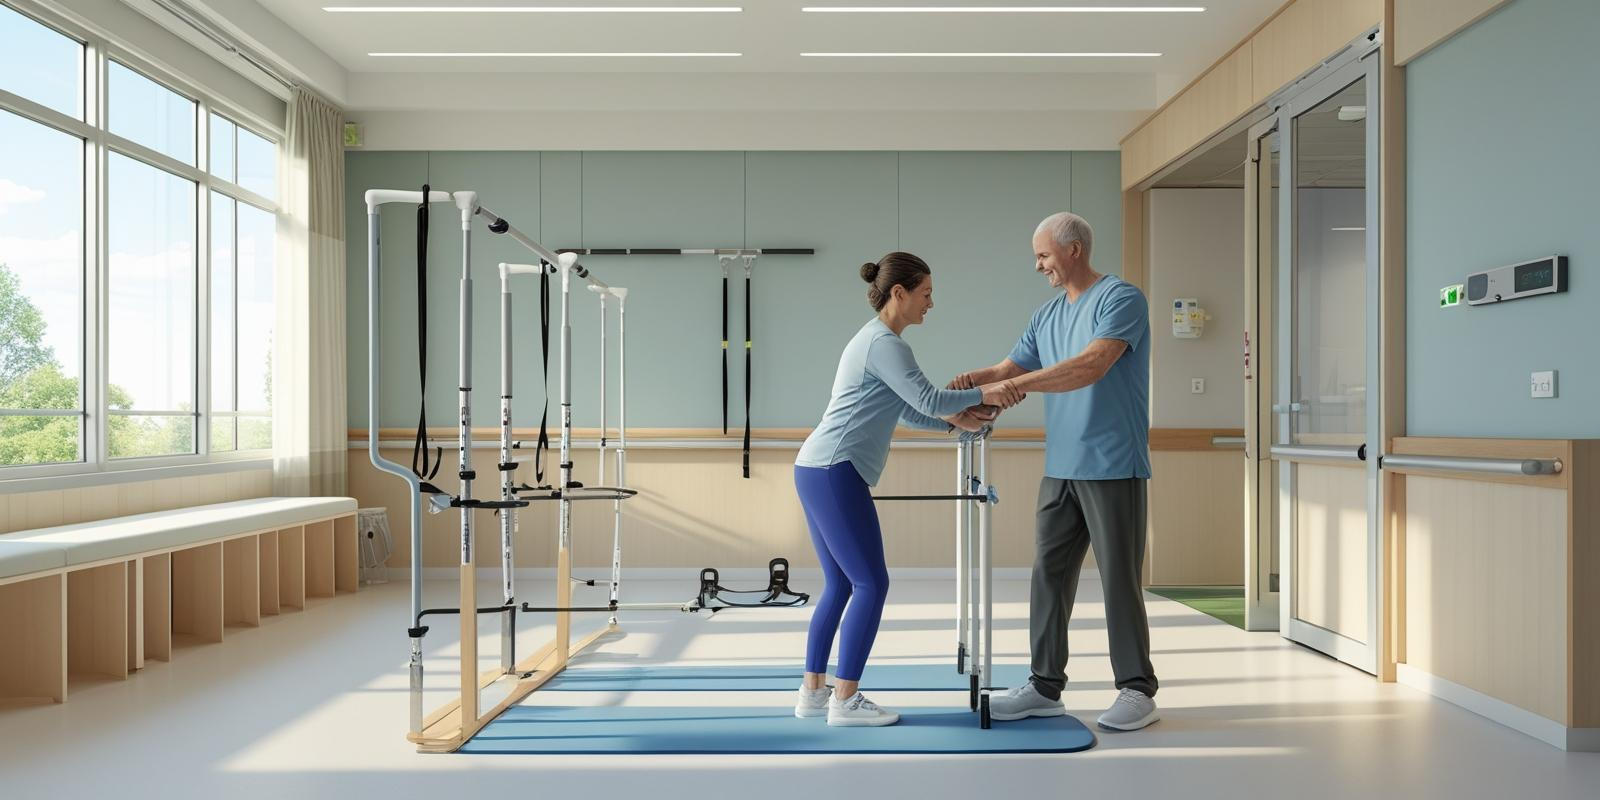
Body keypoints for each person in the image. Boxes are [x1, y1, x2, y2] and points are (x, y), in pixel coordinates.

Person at [792, 251, 1022, 727]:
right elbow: (930, 398)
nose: (931, 303)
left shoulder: (874, 341)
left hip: (815, 467)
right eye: (926, 293)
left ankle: (813, 693)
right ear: (899, 293)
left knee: (840, 584)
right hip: (835, 469)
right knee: (871, 584)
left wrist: (957, 423)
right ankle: (846, 699)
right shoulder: (885, 344)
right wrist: (985, 394)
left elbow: (909, 410)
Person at [950, 212, 1160, 732]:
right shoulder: (1046, 315)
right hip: (1061, 466)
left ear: (1074, 249)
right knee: (1048, 575)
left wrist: (1011, 389)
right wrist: (964, 388)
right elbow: (1006, 372)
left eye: (1043, 255)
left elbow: (1092, 364)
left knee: (1119, 580)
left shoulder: (1121, 299)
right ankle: (1045, 687)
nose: (1038, 265)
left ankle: (1136, 689)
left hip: (1113, 463)